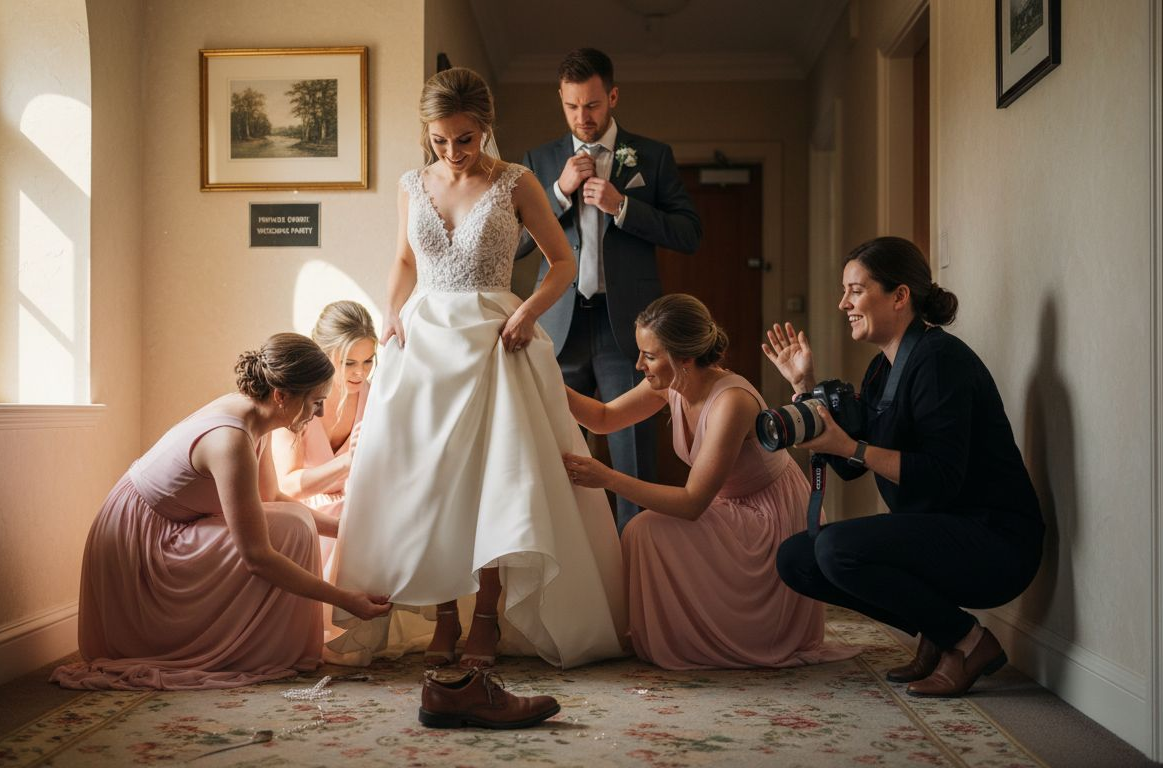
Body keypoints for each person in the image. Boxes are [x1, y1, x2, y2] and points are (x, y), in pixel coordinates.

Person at [329, 67, 626, 671]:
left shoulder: (517, 182)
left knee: (495, 482)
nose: (453, 152)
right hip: (423, 344)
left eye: (465, 139)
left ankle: (486, 616)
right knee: (428, 484)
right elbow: (404, 259)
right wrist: (390, 313)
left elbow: (563, 262)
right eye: (441, 140)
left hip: (496, 339)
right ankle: (444, 616)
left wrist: (528, 316)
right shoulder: (412, 184)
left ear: (485, 130)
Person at [766, 236, 1044, 697]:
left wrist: (851, 447)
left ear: (899, 296)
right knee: (797, 558)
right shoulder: (881, 369)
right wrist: (805, 387)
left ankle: (970, 642)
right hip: (941, 530)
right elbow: (854, 463)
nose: (843, 303)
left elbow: (939, 475)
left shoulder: (939, 361)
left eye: (856, 290)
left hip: (995, 540)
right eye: (844, 291)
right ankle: (940, 631)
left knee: (837, 548)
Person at [50, 333, 391, 690]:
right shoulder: (230, 439)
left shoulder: (256, 413)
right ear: (281, 395)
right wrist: (344, 599)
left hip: (168, 526)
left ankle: (269, 646)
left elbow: (270, 494)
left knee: (296, 520)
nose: (319, 412)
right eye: (316, 402)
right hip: (138, 548)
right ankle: (251, 648)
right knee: (291, 529)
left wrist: (349, 530)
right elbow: (256, 556)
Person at [562, 294, 856, 670]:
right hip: (728, 506)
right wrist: (545, 380)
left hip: (770, 520)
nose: (639, 365)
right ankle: (664, 631)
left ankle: (722, 632)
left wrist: (607, 478)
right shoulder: (670, 383)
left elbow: (691, 503)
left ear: (684, 358)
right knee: (643, 530)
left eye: (649, 356)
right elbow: (603, 418)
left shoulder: (732, 401)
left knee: (644, 529)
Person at [518, 47, 702, 534]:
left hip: (630, 333)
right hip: (560, 328)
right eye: (572, 106)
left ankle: (637, 583)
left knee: (633, 460)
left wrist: (625, 207)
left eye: (594, 105)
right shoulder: (538, 162)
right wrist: (556, 194)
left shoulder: (653, 157)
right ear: (560, 99)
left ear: (613, 96)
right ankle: (574, 585)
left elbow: (689, 232)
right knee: (557, 458)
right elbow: (512, 246)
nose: (583, 117)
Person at [271, 300, 376, 574]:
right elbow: (288, 486)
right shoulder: (297, 398)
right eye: (349, 362)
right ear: (324, 354)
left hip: (356, 506)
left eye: (368, 361)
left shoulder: (375, 397)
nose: (360, 373)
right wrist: (348, 462)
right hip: (303, 511)